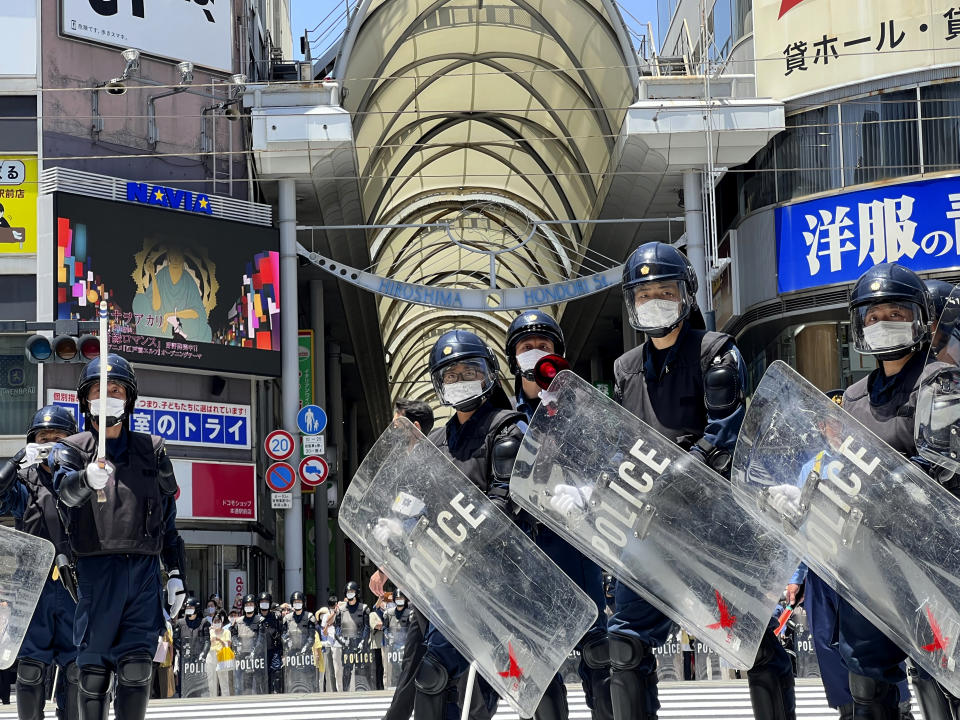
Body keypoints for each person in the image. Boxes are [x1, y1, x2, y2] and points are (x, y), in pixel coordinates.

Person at [605, 242, 793, 720]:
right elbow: (622, 441)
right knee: (624, 646)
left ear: (686, 294)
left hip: (714, 524)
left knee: (753, 642)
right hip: (649, 532)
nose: (654, 301)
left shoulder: (717, 354)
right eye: (643, 294)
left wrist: (673, 475)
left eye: (664, 291)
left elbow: (721, 438)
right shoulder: (624, 369)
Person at [835, 263, 953, 719]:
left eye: (895, 312)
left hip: (931, 560)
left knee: (939, 676)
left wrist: (886, 486)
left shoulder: (940, 379)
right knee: (866, 678)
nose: (883, 323)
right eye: (872, 316)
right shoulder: (855, 396)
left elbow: (939, 465)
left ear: (920, 317)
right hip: (869, 562)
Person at [50, 353, 185, 720]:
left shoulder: (152, 450)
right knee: (92, 674)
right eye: (98, 390)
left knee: (136, 669)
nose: (107, 396)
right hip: (96, 571)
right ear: (85, 400)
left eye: (115, 390)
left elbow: (168, 520)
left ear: (130, 399)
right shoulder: (72, 450)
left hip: (143, 575)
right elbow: (62, 491)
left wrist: (175, 573)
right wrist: (83, 480)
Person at [403, 329, 526, 720]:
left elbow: (504, 499)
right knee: (432, 676)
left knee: (486, 689)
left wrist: (471, 535)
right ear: (439, 384)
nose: (460, 381)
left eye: (468, 371)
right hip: (447, 582)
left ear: (488, 373)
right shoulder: (435, 441)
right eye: (450, 375)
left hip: (496, 580)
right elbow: (417, 504)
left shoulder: (505, 429)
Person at [504, 309, 612, 720]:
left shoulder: (581, 406)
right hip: (525, 553)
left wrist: (588, 493)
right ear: (513, 358)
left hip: (572, 541)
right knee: (534, 660)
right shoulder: (501, 416)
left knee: (598, 652)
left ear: (558, 353)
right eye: (526, 348)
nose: (534, 354)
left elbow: (609, 463)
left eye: (543, 347)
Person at [0, 405, 79, 720]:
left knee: (76, 672)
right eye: (42, 438)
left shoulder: (84, 479)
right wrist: (18, 460)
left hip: (76, 588)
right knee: (31, 671)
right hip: (34, 589)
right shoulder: (24, 483)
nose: (49, 444)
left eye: (57, 438)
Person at [335, 581, 371, 692]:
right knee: (346, 670)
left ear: (357, 593)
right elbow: (337, 629)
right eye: (348, 591)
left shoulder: (364, 608)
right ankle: (345, 693)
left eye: (352, 591)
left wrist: (363, 642)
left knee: (361, 671)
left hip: (361, 644)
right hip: (347, 645)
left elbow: (367, 627)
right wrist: (342, 641)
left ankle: (363, 693)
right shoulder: (341, 610)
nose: (350, 593)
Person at [174, 597, 211, 698]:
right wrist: (183, 650)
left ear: (196, 608)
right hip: (185, 660)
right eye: (187, 607)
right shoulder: (180, 623)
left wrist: (203, 653)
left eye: (191, 607)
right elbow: (175, 640)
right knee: (184, 688)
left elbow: (207, 641)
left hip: (198, 660)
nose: (188, 609)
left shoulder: (204, 623)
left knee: (199, 689)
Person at [232, 593, 267, 695]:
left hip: (256, 657)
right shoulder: (238, 621)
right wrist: (237, 644)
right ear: (243, 606)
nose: (249, 607)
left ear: (255, 606)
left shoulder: (260, 621)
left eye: (251, 604)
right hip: (241, 657)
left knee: (257, 685)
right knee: (241, 685)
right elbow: (233, 635)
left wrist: (254, 652)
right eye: (247, 605)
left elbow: (261, 638)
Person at [256, 591, 283, 694]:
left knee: (276, 672)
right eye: (262, 601)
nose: (264, 604)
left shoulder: (275, 617)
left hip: (274, 650)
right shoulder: (256, 618)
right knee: (261, 675)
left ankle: (276, 692)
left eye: (266, 601)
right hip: (260, 652)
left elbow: (281, 632)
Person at [208, 610, 233, 697]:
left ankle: (226, 700)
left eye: (218, 621)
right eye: (215, 621)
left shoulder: (227, 632)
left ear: (222, 622)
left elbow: (228, 645)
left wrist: (219, 640)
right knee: (212, 681)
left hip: (222, 656)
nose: (217, 623)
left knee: (224, 681)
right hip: (211, 656)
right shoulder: (210, 631)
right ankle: (212, 700)